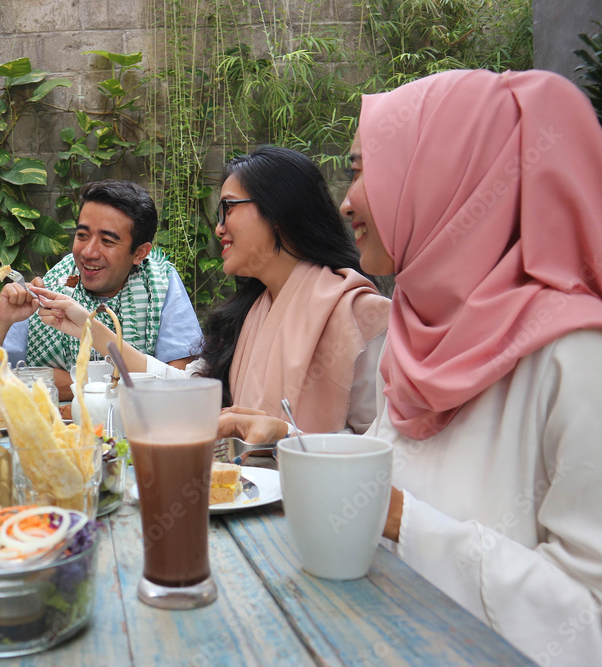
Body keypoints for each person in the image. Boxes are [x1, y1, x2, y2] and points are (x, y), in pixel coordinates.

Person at [226, 69, 602, 665]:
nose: (347, 199)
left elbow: (589, 623)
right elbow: (390, 477)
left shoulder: (574, 356)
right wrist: (294, 442)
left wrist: (402, 519)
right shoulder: (417, 332)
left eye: (363, 168)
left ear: (449, 175)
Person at [35, 146, 390, 434]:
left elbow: (382, 449)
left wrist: (285, 437)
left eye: (228, 209)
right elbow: (189, 387)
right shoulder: (253, 311)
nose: (219, 228)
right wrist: (88, 328)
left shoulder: (359, 315)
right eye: (82, 235)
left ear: (279, 211)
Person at [0, 180, 203, 400]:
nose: (88, 252)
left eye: (107, 241)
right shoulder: (46, 293)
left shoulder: (160, 285)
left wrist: (71, 381)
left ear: (140, 252)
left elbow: (181, 388)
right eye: (83, 235)